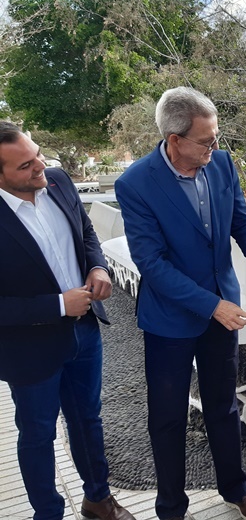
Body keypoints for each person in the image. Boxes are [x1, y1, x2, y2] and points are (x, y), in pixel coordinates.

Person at [115, 87, 246, 520]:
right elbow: (152, 264)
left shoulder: (222, 163)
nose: (215, 147)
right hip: (170, 320)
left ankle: (236, 489)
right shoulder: (135, 184)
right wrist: (213, 305)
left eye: (216, 137)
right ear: (174, 140)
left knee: (223, 405)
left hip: (221, 312)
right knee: (168, 417)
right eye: (206, 141)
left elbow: (241, 222)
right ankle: (171, 507)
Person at [0, 122, 135, 520]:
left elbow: (87, 231)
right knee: (38, 434)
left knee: (87, 420)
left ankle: (99, 500)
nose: (40, 166)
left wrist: (98, 266)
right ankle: (49, 514)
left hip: (85, 332)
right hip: (28, 349)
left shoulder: (58, 181)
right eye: (25, 165)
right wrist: (58, 305)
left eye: (38, 154)